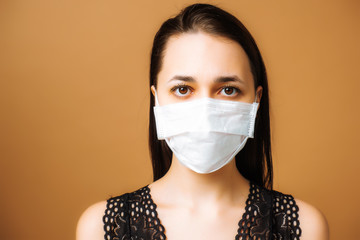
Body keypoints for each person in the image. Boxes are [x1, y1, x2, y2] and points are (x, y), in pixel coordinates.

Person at [76, 3, 329, 240]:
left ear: (256, 100)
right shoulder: (101, 228)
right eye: (183, 89)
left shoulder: (305, 227)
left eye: (228, 90)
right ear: (156, 99)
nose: (204, 111)